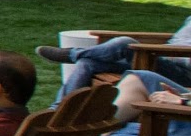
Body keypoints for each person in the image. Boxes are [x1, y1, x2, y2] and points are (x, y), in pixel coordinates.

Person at [39, 19, 191, 101]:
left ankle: (72, 54)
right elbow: (174, 40)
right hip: (159, 58)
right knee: (89, 63)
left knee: (124, 43)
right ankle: (58, 111)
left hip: (182, 72)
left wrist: (176, 55)